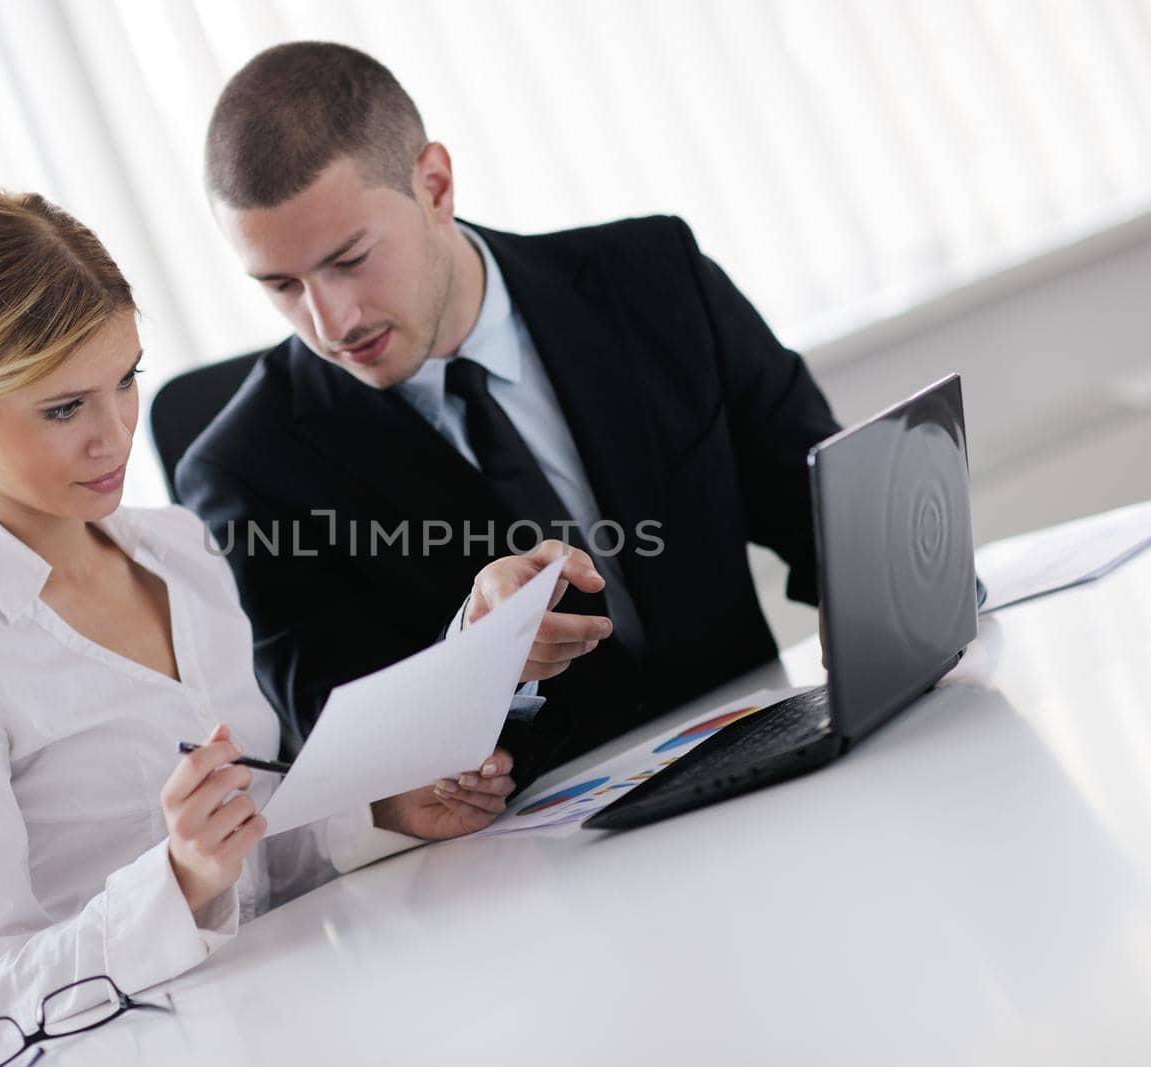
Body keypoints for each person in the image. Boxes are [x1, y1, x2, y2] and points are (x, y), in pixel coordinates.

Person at [0, 191, 588, 1029]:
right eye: (64, 408)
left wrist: (380, 815)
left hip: (295, 1001)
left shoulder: (179, 551)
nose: (114, 433)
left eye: (126, 379)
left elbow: (258, 863)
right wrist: (177, 880)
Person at [177, 42, 842, 788]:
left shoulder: (654, 275)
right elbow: (331, 744)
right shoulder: (243, 471)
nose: (332, 322)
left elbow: (826, 501)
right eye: (281, 286)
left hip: (775, 766)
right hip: (527, 863)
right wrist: (474, 657)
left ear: (434, 184)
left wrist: (876, 626)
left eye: (349, 260)